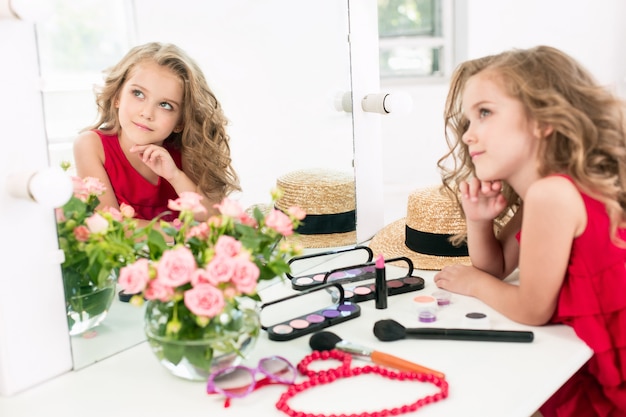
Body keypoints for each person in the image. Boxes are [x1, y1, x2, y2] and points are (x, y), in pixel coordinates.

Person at [433, 45, 626, 416]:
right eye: (467, 122)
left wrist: (472, 284)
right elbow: (497, 268)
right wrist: (479, 220)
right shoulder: (547, 191)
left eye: (484, 113)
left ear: (542, 121)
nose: (469, 135)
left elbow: (532, 308)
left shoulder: (552, 194)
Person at [74, 42, 240, 223]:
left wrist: (175, 176)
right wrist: (185, 232)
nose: (146, 113)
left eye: (165, 105)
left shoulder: (188, 151)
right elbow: (109, 226)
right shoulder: (91, 145)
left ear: (180, 121)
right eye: (138, 93)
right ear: (117, 97)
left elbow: (214, 220)